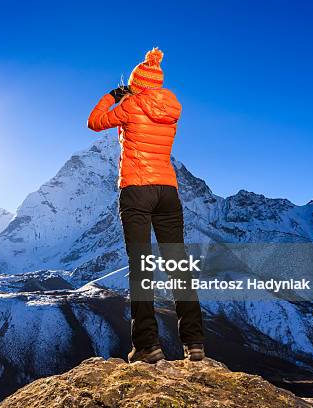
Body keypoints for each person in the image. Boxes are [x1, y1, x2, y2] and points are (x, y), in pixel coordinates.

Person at [87, 48, 205, 363]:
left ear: (136, 84)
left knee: (141, 267)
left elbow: (95, 122)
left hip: (136, 189)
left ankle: (148, 346)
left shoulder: (129, 106)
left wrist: (114, 95)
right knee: (178, 266)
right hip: (167, 190)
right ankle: (194, 343)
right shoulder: (171, 111)